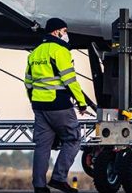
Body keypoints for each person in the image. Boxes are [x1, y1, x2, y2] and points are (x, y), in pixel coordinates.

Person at [25, 18, 88, 193]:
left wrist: (34, 101)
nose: (66, 34)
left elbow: (28, 82)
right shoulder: (60, 51)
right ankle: (58, 178)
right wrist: (82, 102)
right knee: (73, 138)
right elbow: (70, 80)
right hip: (58, 104)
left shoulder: (35, 53)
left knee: (42, 146)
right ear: (56, 32)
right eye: (64, 31)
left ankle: (39, 186)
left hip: (39, 106)